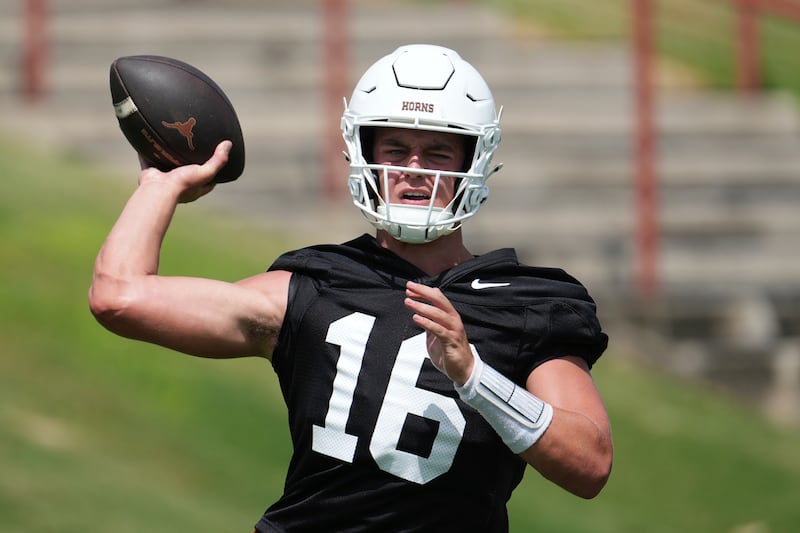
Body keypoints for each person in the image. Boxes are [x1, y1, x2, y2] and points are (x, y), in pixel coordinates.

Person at [89, 44, 613, 532]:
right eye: (396, 148)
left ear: (473, 161)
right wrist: (159, 186)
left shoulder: (525, 302)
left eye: (437, 153)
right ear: (362, 153)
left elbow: (589, 464)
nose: (413, 171)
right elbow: (120, 297)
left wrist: (475, 376)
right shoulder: (317, 283)